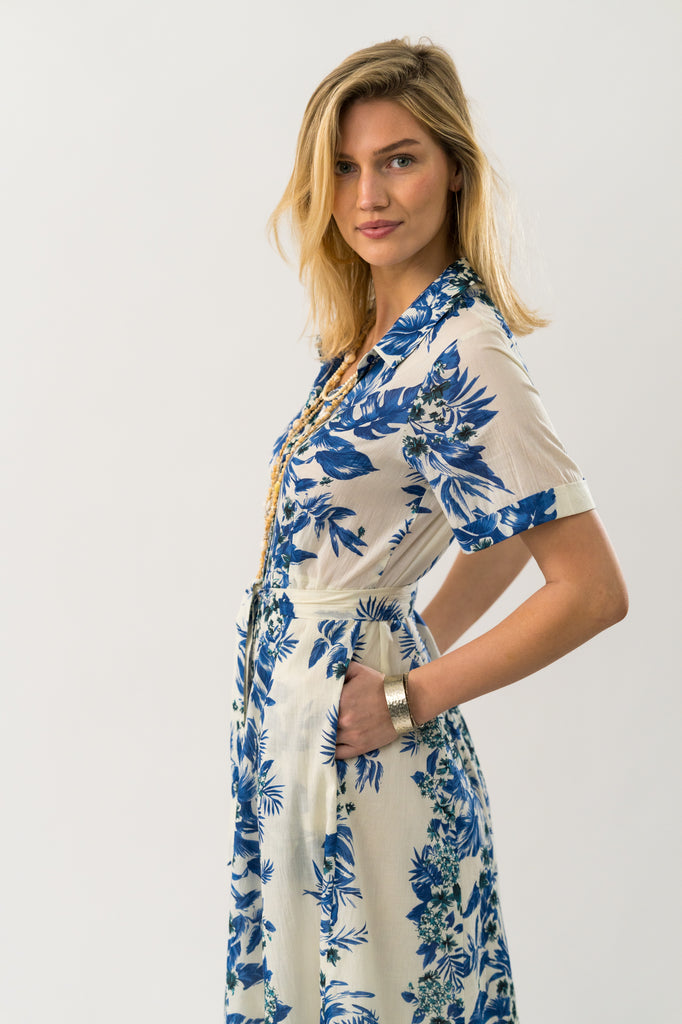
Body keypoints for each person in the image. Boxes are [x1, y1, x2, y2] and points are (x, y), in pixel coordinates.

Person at [224, 38, 627, 1024]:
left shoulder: (462, 354)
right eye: (347, 167)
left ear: (453, 169)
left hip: (367, 759)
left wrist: (411, 693)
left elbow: (589, 587)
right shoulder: (367, 344)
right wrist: (409, 635)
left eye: (399, 158)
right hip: (302, 741)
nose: (370, 192)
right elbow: (482, 523)